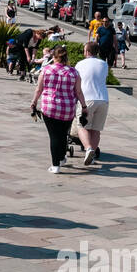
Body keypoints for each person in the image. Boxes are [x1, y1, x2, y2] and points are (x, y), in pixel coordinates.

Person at [30, 44, 88, 174]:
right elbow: (78, 92)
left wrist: (33, 102)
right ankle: (61, 158)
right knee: (62, 135)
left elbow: (39, 89)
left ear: (53, 56)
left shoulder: (46, 70)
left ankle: (55, 165)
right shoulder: (74, 72)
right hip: (68, 109)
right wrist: (84, 107)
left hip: (49, 107)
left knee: (54, 136)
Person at [77, 41, 110, 166]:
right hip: (103, 99)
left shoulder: (80, 64)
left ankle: (88, 149)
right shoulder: (104, 64)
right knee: (96, 129)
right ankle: (93, 155)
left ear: (87, 51)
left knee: (82, 126)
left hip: (87, 98)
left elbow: (77, 80)